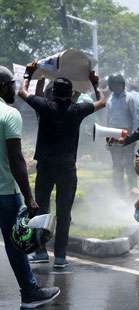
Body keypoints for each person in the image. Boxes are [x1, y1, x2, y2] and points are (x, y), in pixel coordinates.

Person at [19, 62, 107, 268]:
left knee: (41, 209)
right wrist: (96, 83)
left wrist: (29, 73)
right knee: (64, 212)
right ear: (70, 95)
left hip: (46, 167)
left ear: (52, 94)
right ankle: (60, 257)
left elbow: (22, 92)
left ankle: (40, 251)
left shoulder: (44, 106)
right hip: (67, 168)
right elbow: (102, 102)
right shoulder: (77, 110)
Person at [0, 66, 61, 309]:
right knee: (17, 244)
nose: (14, 88)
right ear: (3, 86)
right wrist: (30, 198)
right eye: (11, 84)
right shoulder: (8, 114)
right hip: (5, 193)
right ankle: (30, 292)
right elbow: (16, 160)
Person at [106, 75, 139, 193]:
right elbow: (108, 119)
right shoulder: (110, 99)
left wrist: (134, 136)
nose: (116, 87)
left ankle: (133, 188)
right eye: (114, 85)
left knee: (128, 164)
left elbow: (136, 119)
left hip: (127, 135)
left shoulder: (130, 98)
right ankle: (119, 191)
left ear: (122, 85)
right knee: (116, 165)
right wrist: (107, 139)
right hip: (113, 135)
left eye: (119, 85)